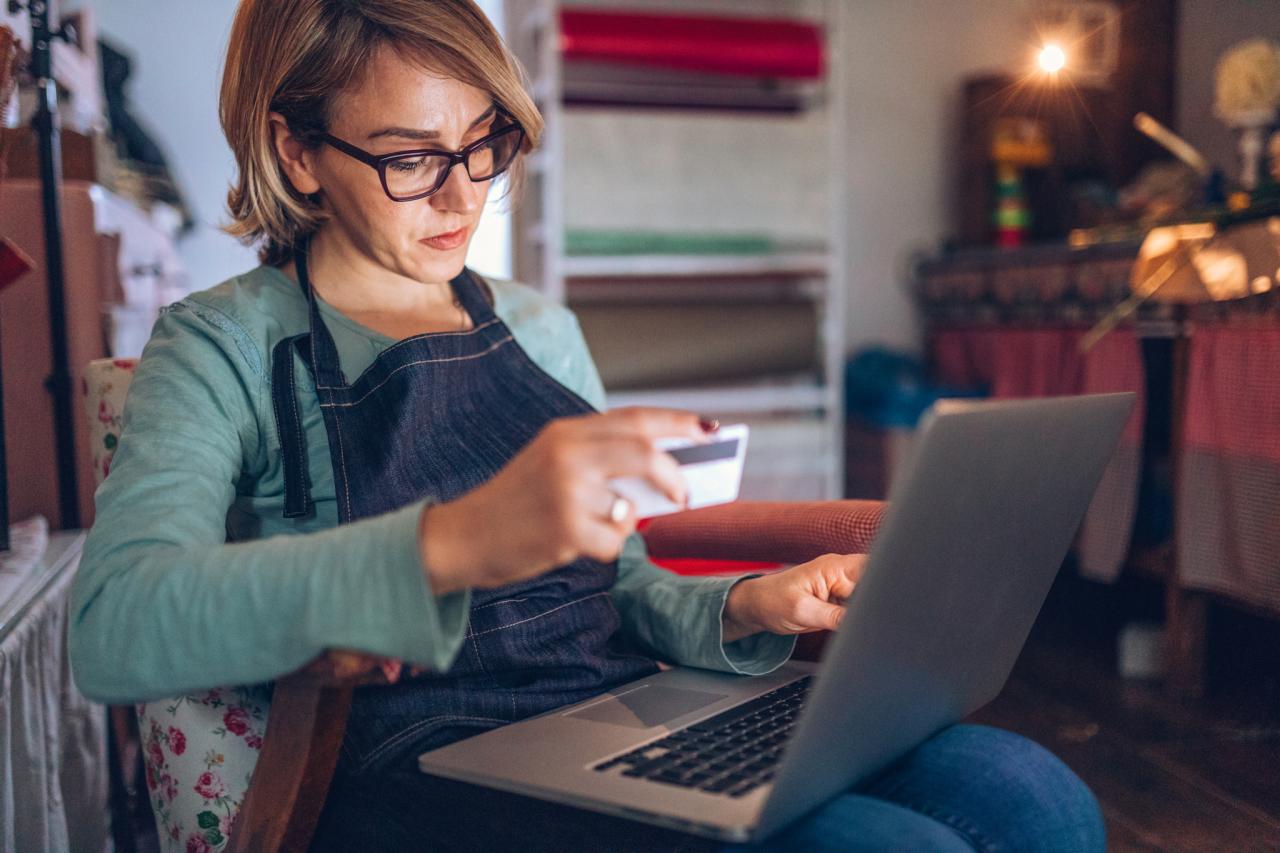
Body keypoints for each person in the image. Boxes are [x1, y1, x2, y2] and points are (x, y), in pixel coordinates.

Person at [69, 1, 1106, 850]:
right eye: (410, 158)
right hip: (409, 764)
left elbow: (614, 583)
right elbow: (115, 626)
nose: (463, 193)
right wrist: (453, 541)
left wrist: (745, 606)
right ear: (297, 153)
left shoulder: (534, 326)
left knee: (1031, 791)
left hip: (612, 713)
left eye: (485, 144)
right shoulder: (221, 347)